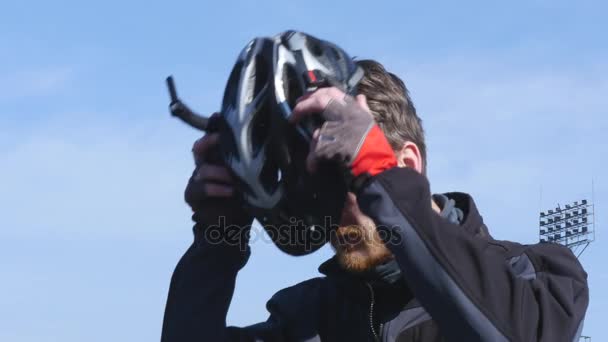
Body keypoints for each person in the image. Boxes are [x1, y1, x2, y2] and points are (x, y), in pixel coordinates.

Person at [161, 60, 589, 341]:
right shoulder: (307, 317)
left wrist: (377, 176)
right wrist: (219, 234)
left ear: (406, 163)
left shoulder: (539, 277)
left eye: (341, 178)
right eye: (313, 191)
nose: (331, 212)